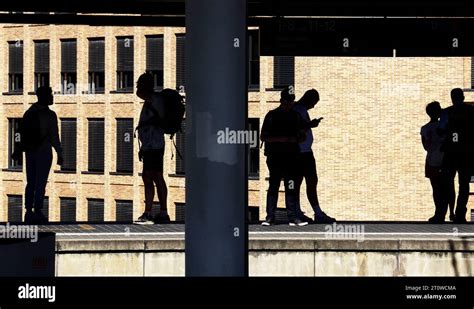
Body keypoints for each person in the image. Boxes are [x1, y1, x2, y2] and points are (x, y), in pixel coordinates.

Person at [12, 86, 63, 224]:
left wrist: (17, 150)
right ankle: (37, 210)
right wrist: (59, 152)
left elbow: (19, 133)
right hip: (43, 153)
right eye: (50, 95)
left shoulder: (29, 113)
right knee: (40, 182)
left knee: (32, 182)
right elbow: (54, 137)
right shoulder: (49, 115)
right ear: (43, 97)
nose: (52, 97)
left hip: (31, 152)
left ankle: (29, 210)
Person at [260, 87, 308, 226]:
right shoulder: (272, 115)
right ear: (281, 101)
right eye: (287, 101)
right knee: (274, 185)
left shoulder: (295, 116)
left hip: (291, 157)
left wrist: (297, 138)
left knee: (290, 186)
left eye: (291, 102)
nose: (289, 104)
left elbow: (302, 135)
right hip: (276, 157)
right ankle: (270, 217)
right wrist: (283, 139)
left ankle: (292, 217)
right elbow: (263, 136)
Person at [293, 89, 336, 223]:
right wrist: (311, 125)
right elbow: (297, 129)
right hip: (301, 153)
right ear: (308, 99)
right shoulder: (298, 110)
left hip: (303, 152)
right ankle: (314, 213)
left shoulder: (299, 109)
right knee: (309, 181)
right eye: (313, 102)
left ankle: (299, 211)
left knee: (302, 182)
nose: (313, 106)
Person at [134, 73, 170, 225]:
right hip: (149, 146)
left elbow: (139, 93)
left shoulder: (155, 99)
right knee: (147, 176)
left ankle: (162, 211)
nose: (137, 86)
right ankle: (149, 211)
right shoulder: (150, 100)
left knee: (156, 175)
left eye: (140, 83)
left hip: (154, 145)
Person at [436, 88, 474, 224]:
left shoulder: (447, 112)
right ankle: (460, 213)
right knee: (464, 184)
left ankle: (442, 213)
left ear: (452, 98)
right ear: (463, 97)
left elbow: (440, 131)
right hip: (467, 153)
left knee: (447, 184)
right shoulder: (471, 111)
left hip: (451, 152)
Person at [421, 101, 455, 222]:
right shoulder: (446, 126)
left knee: (436, 189)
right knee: (449, 187)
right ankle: (451, 212)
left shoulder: (424, 129)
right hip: (446, 159)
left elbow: (425, 146)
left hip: (431, 161)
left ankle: (439, 213)